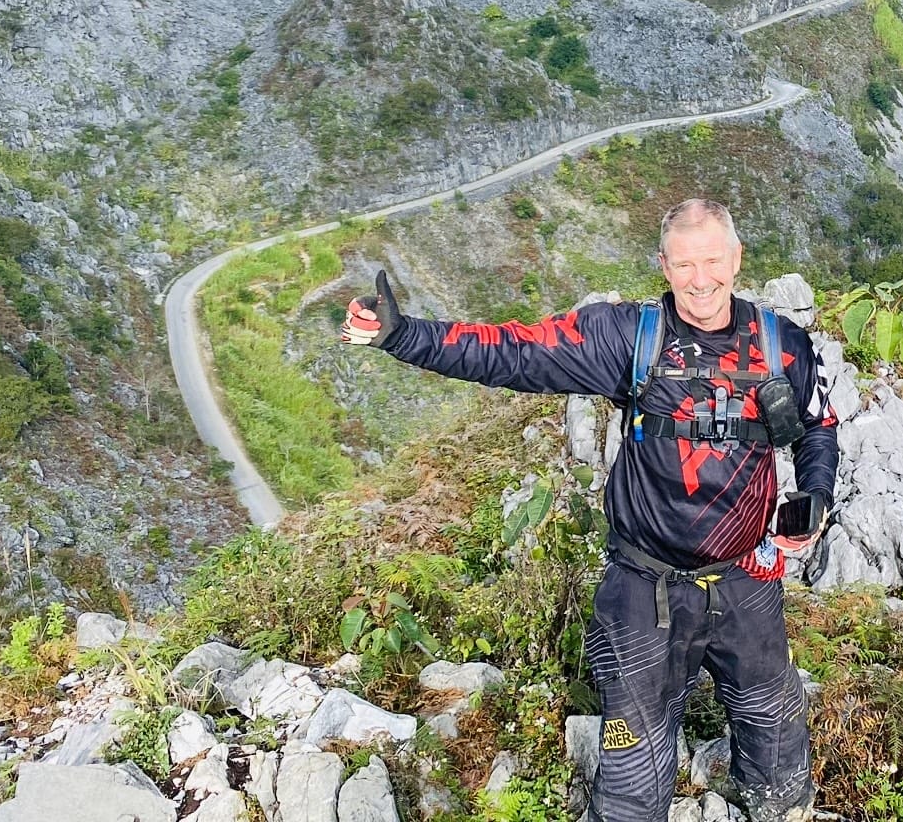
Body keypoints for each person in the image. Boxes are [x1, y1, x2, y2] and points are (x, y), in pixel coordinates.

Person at [340, 197, 838, 822]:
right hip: (643, 587)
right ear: (663, 265)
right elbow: (516, 352)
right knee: (634, 773)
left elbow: (818, 430)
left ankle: (776, 806)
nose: (701, 278)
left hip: (747, 581)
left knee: (776, 741)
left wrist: (813, 497)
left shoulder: (782, 345)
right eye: (685, 264)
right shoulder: (629, 337)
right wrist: (402, 334)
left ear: (736, 259)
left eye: (713, 260)